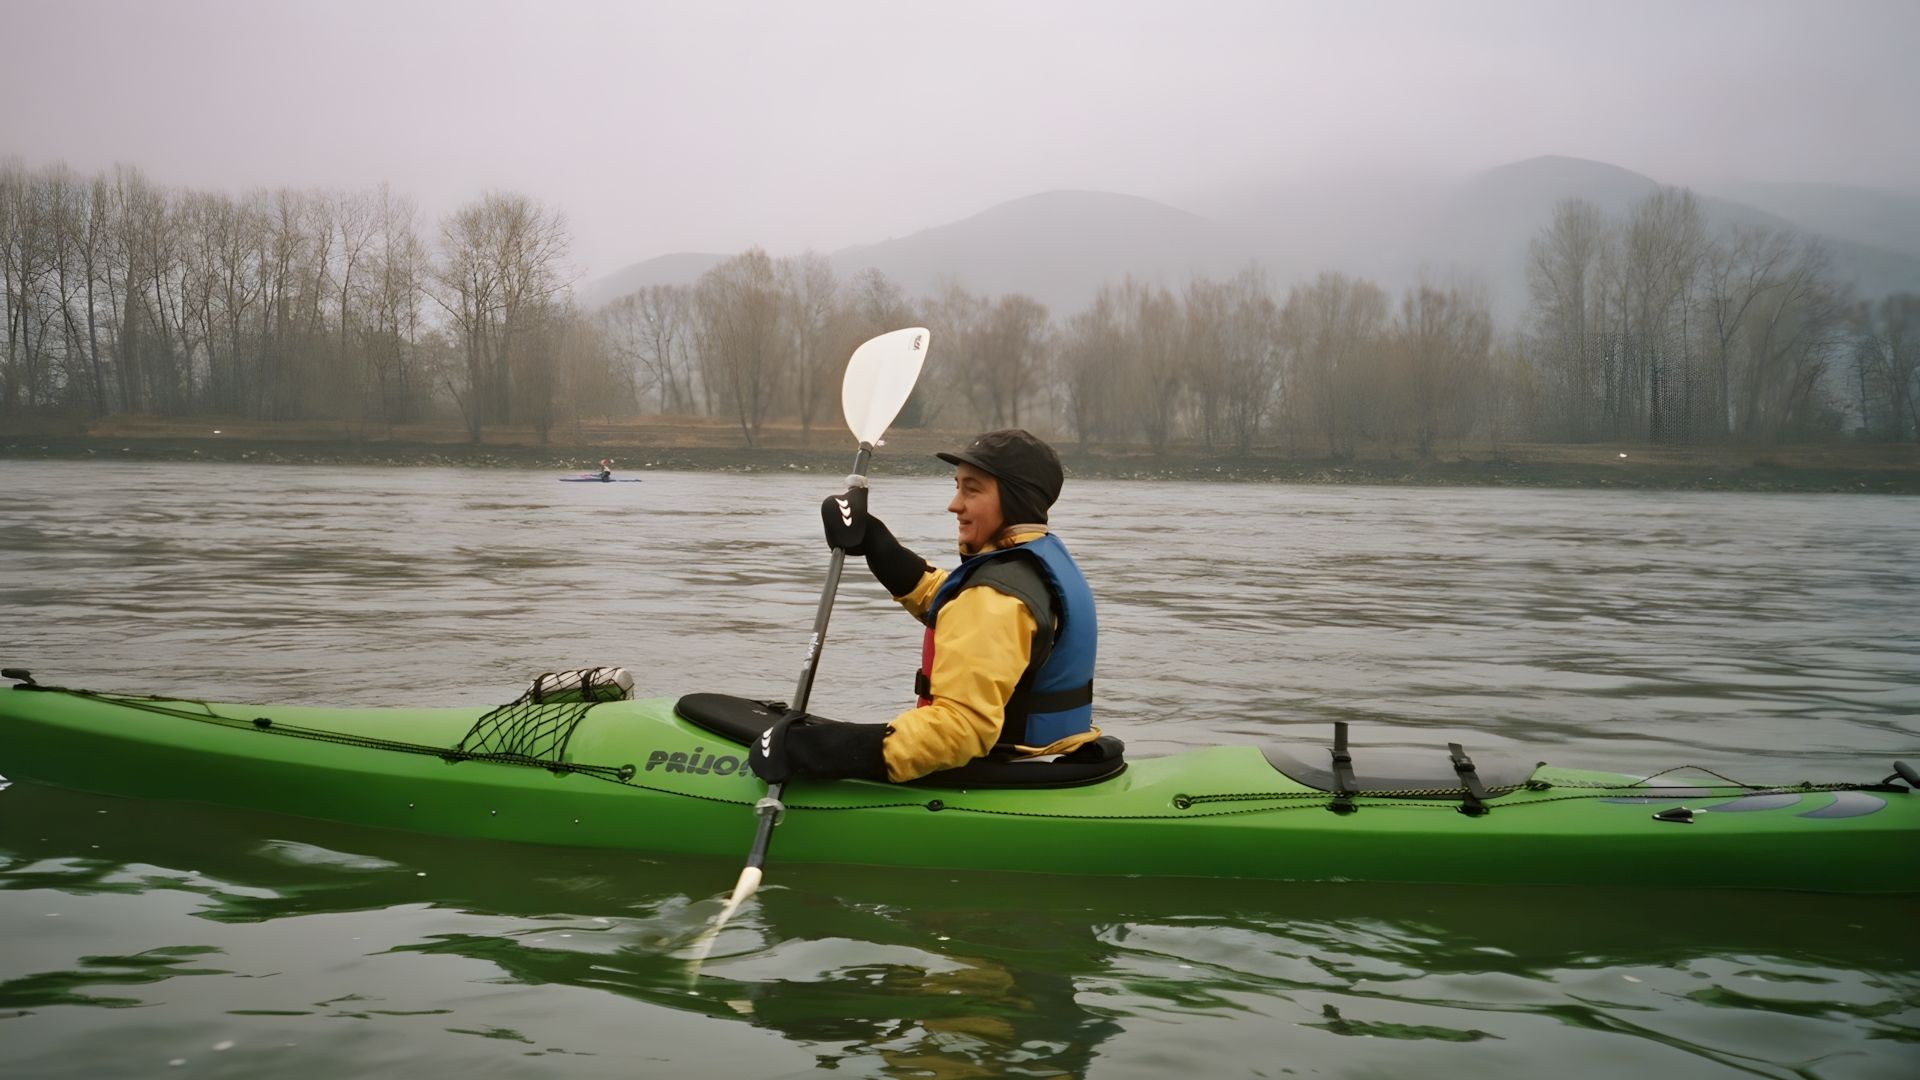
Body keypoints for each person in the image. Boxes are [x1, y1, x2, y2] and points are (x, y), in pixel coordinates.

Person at [750, 429, 1099, 784]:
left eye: (972, 489)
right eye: (957, 485)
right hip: (1050, 758)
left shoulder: (996, 599)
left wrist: (813, 750)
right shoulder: (1036, 561)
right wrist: (878, 544)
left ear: (1015, 501)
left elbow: (958, 730)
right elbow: (959, 609)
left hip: (1000, 774)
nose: (955, 504)